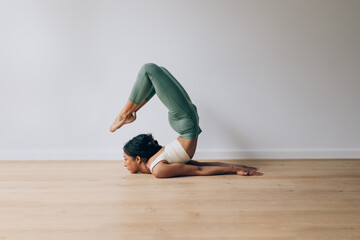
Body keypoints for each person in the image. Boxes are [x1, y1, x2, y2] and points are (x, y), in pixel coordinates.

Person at [110, 63, 263, 178]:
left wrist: (234, 167)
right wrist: (233, 168)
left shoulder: (157, 166)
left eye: (125, 159)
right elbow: (198, 168)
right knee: (150, 70)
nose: (124, 163)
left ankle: (127, 113)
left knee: (156, 72)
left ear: (138, 159)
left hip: (187, 121)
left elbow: (198, 167)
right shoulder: (158, 168)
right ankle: (127, 113)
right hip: (185, 121)